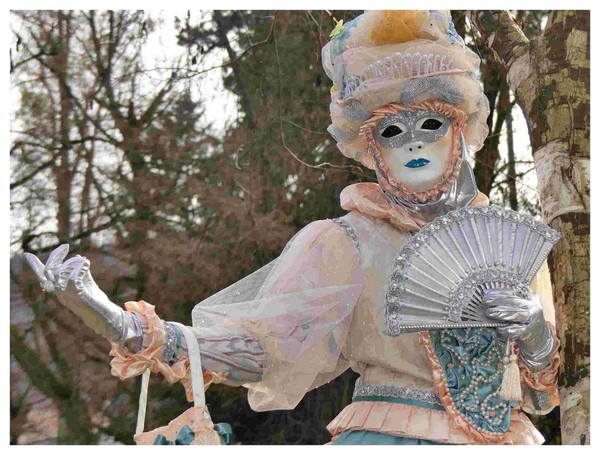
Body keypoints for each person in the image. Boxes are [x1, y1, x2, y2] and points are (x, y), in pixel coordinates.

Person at [24, 10, 560, 445]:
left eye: (430, 124)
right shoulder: (347, 243)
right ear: (371, 146)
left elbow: (546, 392)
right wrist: (126, 325)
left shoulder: (510, 245)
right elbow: (263, 349)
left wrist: (534, 330)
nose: (414, 142)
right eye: (393, 130)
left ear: (458, 130)